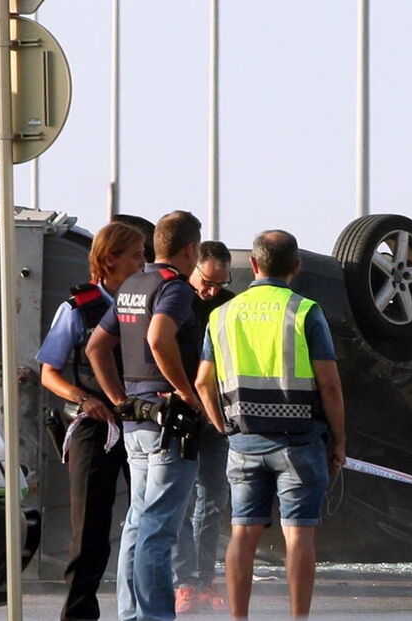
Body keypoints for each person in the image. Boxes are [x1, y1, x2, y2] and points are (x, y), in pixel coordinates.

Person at [195, 230, 346, 620]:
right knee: (298, 535)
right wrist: (340, 442)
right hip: (299, 443)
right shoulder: (305, 312)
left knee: (242, 533)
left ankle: (239, 617)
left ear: (255, 265)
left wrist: (222, 427)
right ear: (296, 268)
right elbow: (328, 383)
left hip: (243, 442)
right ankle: (298, 618)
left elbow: (201, 382)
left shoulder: (222, 315)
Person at [86, 210, 206, 621]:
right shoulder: (174, 288)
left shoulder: (133, 285)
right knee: (159, 529)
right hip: (168, 426)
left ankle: (130, 612)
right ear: (191, 249)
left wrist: (120, 399)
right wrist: (188, 394)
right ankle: (155, 616)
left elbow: (96, 347)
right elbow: (159, 337)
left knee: (137, 523)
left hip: (136, 421)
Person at [36, 221, 146, 621]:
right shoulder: (77, 308)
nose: (143, 262)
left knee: (147, 520)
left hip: (141, 423)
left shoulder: (145, 303)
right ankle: (79, 613)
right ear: (110, 260)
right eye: (135, 255)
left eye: (144, 254)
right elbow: (49, 372)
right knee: (90, 531)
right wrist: (83, 399)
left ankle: (140, 608)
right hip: (94, 426)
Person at [172, 242, 234, 613]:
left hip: (216, 413)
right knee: (181, 499)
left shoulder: (228, 304)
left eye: (218, 284)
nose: (210, 291)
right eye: (206, 282)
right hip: (181, 409)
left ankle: (206, 576)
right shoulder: (176, 297)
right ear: (193, 268)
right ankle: (184, 581)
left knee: (213, 498)